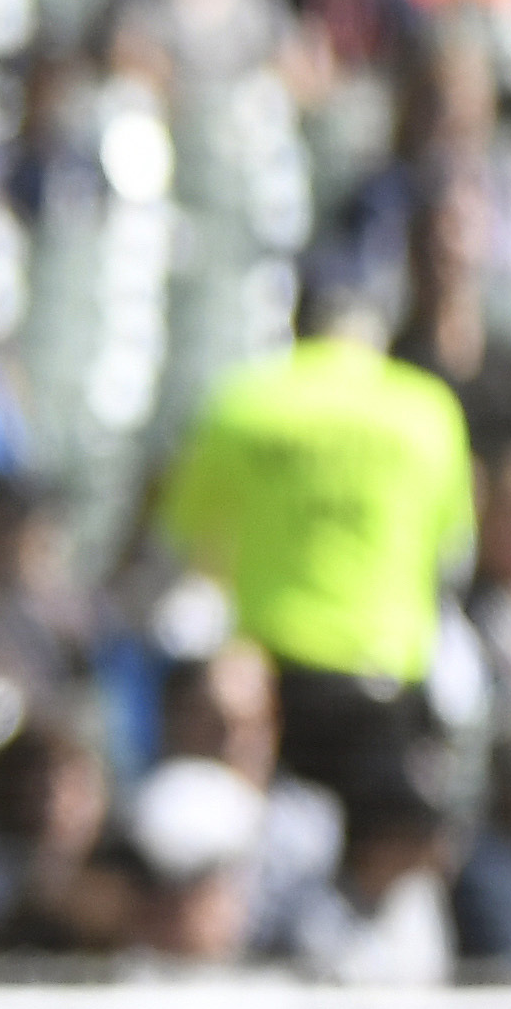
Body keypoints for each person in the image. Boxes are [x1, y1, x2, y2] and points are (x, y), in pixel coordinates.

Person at [161, 282, 476, 849]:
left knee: (262, 850)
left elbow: (191, 542)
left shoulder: (244, 401)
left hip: (270, 675)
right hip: (384, 675)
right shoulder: (426, 410)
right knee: (374, 854)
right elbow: (451, 551)